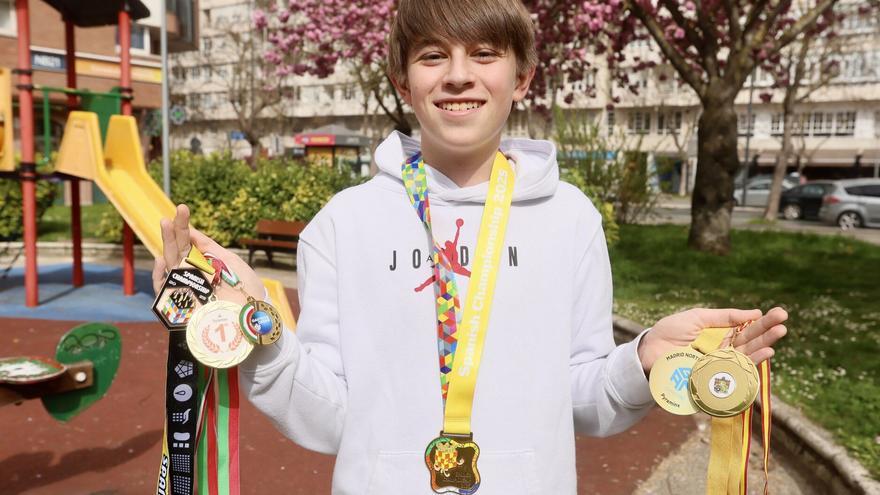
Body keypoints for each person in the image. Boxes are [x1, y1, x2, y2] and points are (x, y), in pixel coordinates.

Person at [152, 0, 788, 493]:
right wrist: (256, 329)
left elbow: (585, 401)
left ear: (522, 77)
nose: (459, 76)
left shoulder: (569, 218)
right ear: (403, 81)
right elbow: (330, 418)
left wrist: (643, 359)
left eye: (484, 53)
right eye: (433, 56)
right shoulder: (343, 223)